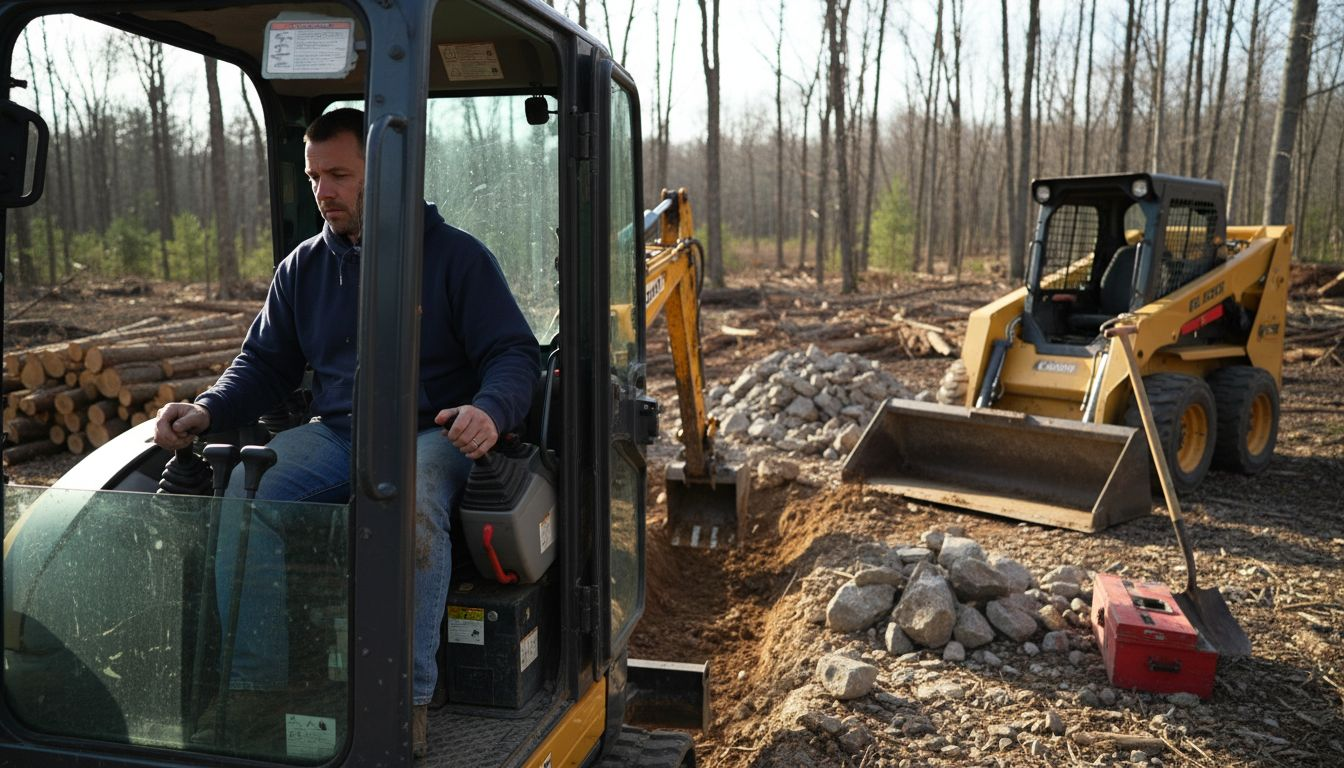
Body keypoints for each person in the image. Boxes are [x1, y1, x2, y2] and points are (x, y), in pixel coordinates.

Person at [153, 107, 538, 758]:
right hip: (339, 434)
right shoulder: (303, 268)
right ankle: (258, 694)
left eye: (339, 175)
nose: (323, 192)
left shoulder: (456, 259)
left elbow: (512, 353)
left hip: (434, 435)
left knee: (409, 498)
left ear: (387, 173)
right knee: (252, 489)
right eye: (313, 178)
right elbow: (265, 361)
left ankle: (407, 702)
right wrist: (210, 409)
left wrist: (490, 411)